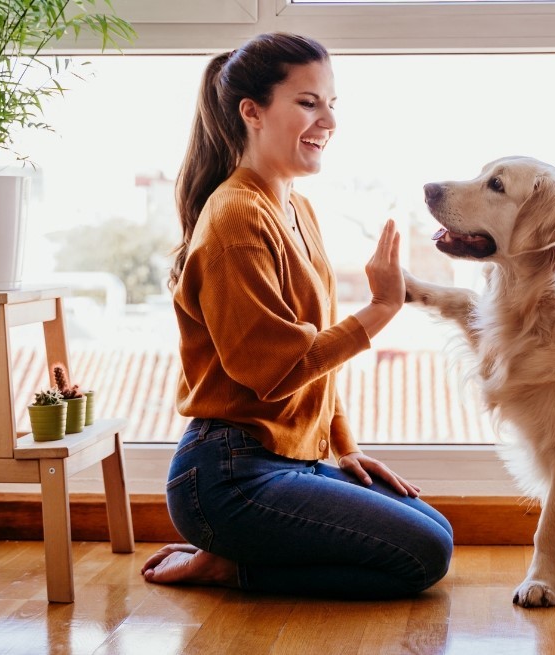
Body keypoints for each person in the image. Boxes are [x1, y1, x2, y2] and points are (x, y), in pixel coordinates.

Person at [141, 32, 453, 598]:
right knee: (424, 556)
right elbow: (276, 371)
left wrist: (344, 446)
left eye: (332, 104)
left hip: (289, 459)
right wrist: (383, 307)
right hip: (227, 475)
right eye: (309, 102)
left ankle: (236, 556)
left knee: (436, 530)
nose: (328, 120)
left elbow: (315, 367)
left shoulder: (295, 207)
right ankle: (228, 565)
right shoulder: (236, 218)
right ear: (252, 112)